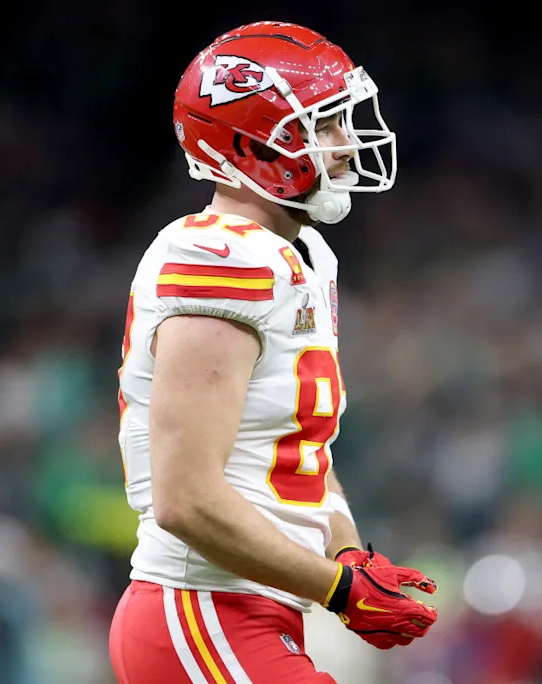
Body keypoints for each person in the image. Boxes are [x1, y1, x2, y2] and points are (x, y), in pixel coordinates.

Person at [108, 20, 438, 684]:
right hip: (201, 610)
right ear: (255, 143)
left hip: (245, 613)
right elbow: (186, 497)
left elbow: (299, 454)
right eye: (326, 125)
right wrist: (337, 590)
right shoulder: (218, 258)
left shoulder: (301, 255)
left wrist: (346, 554)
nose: (347, 144)